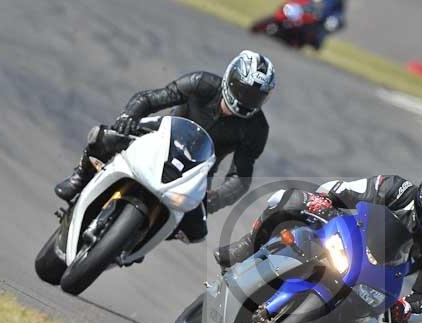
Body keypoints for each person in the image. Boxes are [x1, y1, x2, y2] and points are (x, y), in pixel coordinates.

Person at [214, 165, 422, 323]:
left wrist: (406, 308)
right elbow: (343, 190)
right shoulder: (397, 189)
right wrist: (324, 201)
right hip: (344, 245)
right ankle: (249, 245)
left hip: (373, 284)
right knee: (289, 199)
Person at [54, 50, 276, 243]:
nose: (247, 100)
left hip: (198, 171)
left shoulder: (257, 128)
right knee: (104, 136)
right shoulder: (201, 82)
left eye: (256, 96)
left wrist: (215, 198)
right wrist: (129, 115)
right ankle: (79, 179)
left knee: (195, 231)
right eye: (244, 91)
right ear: (231, 79)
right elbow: (151, 98)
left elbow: (240, 177)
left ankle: (139, 239)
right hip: (160, 135)